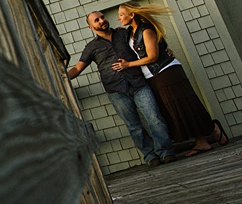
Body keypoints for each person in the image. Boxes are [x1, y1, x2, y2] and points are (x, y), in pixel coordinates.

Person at [112, 2, 228, 157]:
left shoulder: (146, 30)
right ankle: (204, 139)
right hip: (152, 76)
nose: (118, 18)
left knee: (183, 105)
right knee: (175, 109)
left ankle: (210, 132)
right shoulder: (130, 32)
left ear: (132, 15)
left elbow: (153, 57)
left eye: (121, 15)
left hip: (166, 71)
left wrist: (128, 65)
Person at [67, 11, 176, 166]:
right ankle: (150, 155)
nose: (101, 21)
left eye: (102, 17)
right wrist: (60, 77)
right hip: (116, 91)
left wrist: (165, 50)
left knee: (155, 118)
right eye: (96, 20)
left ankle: (166, 152)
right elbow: (78, 68)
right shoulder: (91, 47)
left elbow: (146, 43)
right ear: (91, 27)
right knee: (134, 126)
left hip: (138, 84)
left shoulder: (125, 34)